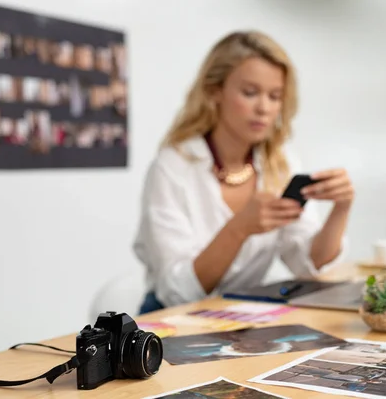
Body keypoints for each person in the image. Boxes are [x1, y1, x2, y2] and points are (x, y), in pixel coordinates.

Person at [133, 30, 354, 314]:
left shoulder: (281, 163)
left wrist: (341, 209)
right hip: (170, 318)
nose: (263, 108)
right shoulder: (173, 166)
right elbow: (178, 292)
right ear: (215, 91)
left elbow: (308, 265)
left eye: (275, 96)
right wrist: (239, 228)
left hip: (238, 316)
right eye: (250, 93)